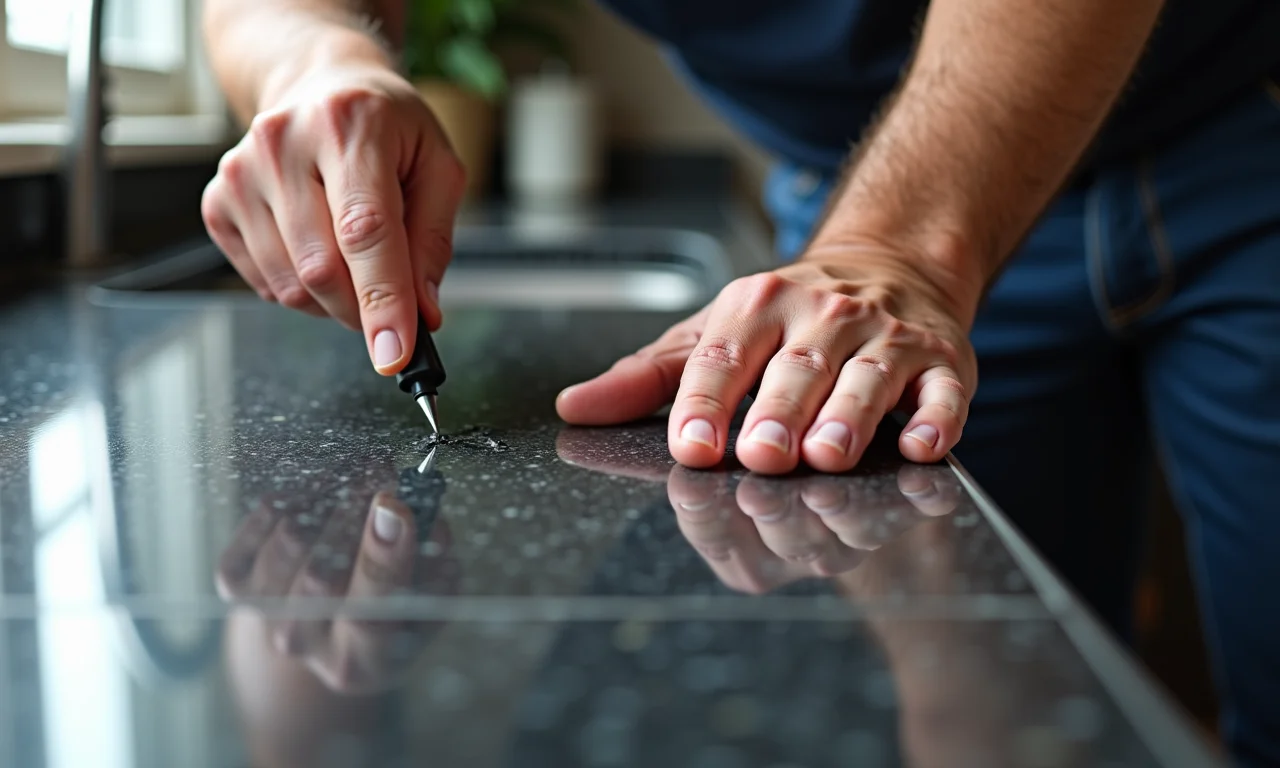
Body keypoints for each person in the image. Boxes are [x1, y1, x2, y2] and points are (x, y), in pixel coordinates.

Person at [199, 0, 1280, 763]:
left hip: (1226, 134)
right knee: (992, 722)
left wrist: (897, 253)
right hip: (864, 200)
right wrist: (317, 64)